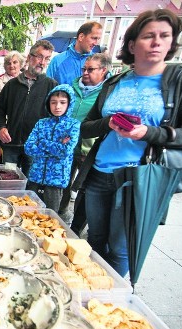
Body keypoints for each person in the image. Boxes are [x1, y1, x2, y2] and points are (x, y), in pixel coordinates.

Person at [74, 9, 182, 278]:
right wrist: (109, 123)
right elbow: (86, 127)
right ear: (131, 45)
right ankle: (90, 289)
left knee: (120, 248)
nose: (157, 42)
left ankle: (108, 301)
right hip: (100, 174)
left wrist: (149, 133)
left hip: (140, 178)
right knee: (93, 240)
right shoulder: (115, 82)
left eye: (165, 36)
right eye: (149, 36)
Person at [58, 53, 112, 231]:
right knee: (64, 181)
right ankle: (60, 214)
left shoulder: (108, 92)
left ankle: (80, 226)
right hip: (68, 145)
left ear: (103, 70)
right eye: (84, 69)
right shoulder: (73, 87)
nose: (85, 73)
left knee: (86, 188)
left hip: (90, 148)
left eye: (91, 69)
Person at [0, 40, 57, 176]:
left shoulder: (51, 86)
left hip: (35, 147)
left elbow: (56, 117)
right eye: (39, 56)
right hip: (11, 144)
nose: (42, 62)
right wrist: (1, 127)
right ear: (29, 57)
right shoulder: (11, 85)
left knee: (31, 183)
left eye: (47, 59)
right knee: (8, 180)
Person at [24, 84, 80, 212]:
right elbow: (28, 148)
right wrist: (57, 145)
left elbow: (64, 151)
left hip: (56, 180)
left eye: (62, 102)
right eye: (53, 102)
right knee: (30, 212)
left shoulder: (73, 125)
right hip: (35, 176)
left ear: (69, 104)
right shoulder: (41, 123)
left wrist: (42, 142)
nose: (57, 106)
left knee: (50, 215)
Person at [46, 21, 102, 85]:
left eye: (98, 39)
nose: (96, 43)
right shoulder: (57, 61)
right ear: (81, 37)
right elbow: (47, 88)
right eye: (94, 38)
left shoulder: (98, 63)